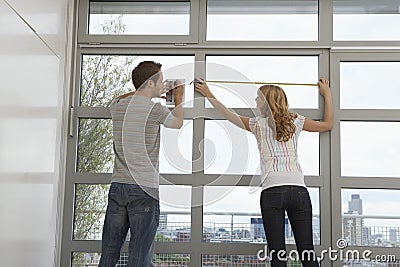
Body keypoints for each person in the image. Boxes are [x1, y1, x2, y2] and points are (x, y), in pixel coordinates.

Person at [195, 78, 333, 267]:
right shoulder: (296, 121)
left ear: (267, 101)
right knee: (307, 252)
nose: (255, 101)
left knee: (278, 254)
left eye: (258, 98)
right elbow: (328, 125)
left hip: (273, 191)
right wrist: (327, 94)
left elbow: (228, 114)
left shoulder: (257, 125)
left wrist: (208, 94)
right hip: (299, 191)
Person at [99, 61, 184, 267]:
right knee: (139, 256)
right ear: (150, 83)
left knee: (109, 253)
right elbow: (177, 122)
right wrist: (179, 98)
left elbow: (120, 98)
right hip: (144, 190)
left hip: (118, 187)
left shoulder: (118, 107)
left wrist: (143, 90)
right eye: (160, 81)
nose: (163, 85)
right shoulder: (155, 110)